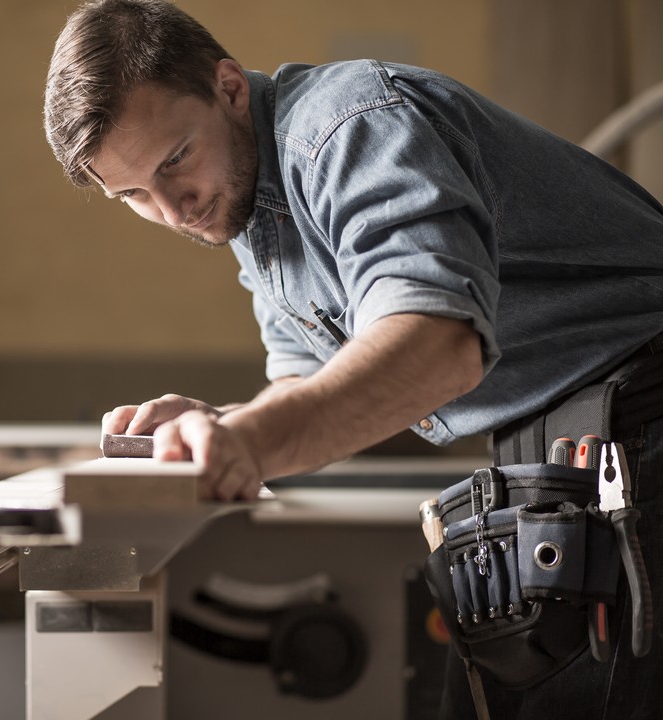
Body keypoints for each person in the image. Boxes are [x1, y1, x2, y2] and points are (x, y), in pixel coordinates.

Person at [44, 1, 663, 717]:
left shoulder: (347, 126)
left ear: (229, 87)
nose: (174, 209)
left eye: (175, 159)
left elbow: (438, 343)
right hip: (568, 435)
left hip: (640, 407)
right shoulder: (251, 204)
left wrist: (249, 442)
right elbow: (304, 384)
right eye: (133, 196)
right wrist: (220, 425)